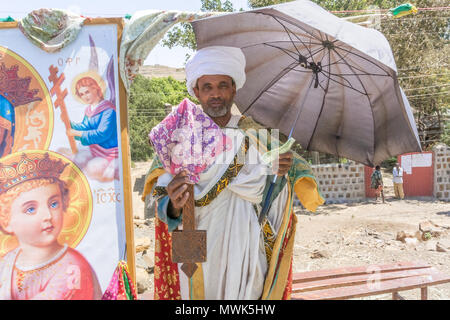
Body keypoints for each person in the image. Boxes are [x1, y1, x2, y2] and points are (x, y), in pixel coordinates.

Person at [142, 46, 324, 300]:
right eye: (207, 87)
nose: (216, 94)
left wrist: (281, 174)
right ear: (196, 91)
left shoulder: (258, 136)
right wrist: (172, 205)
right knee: (192, 298)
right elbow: (160, 201)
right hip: (192, 239)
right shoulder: (177, 135)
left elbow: (275, 193)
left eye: (223, 85)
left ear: (234, 89)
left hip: (245, 244)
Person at [0, 152, 102, 300]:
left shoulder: (72, 267)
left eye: (53, 204)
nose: (47, 215)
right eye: (31, 209)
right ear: (7, 221)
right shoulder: (8, 261)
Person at [67, 76, 119, 182]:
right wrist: (69, 125)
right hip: (95, 150)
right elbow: (85, 127)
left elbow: (102, 134)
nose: (85, 97)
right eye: (81, 94)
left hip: (111, 153)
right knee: (76, 159)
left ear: (96, 89)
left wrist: (78, 133)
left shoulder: (109, 110)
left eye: (87, 92)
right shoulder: (89, 110)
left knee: (93, 168)